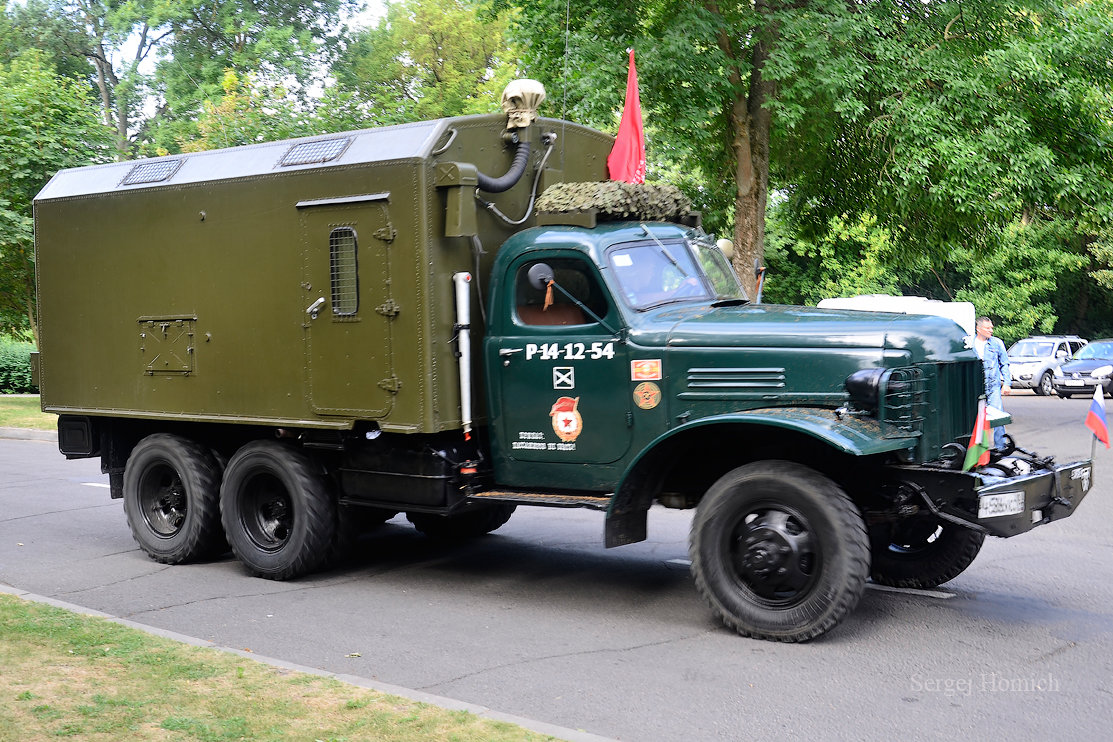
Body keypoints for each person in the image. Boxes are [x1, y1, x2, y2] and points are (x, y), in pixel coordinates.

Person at [973, 316, 1010, 449]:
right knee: (975, 418)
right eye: (988, 328)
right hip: (976, 386)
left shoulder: (996, 343)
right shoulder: (970, 344)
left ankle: (1001, 447)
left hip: (993, 386)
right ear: (978, 329)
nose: (991, 330)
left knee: (997, 417)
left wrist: (1007, 383)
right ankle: (978, 449)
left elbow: (1004, 364)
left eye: (992, 328)